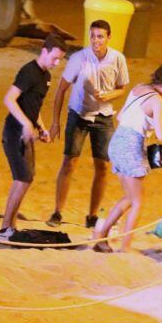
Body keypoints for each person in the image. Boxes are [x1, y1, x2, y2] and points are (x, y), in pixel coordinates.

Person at [91, 63, 162, 253]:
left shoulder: (139, 88)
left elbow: (122, 116)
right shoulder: (157, 100)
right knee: (138, 201)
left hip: (117, 141)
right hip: (131, 145)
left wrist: (147, 125)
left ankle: (102, 236)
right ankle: (125, 248)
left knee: (129, 197)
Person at [46, 20, 129, 228]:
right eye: (92, 36)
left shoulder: (117, 59)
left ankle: (92, 215)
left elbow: (122, 87)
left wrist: (108, 95)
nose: (95, 40)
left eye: (100, 36)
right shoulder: (78, 58)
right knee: (69, 161)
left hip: (104, 116)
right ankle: (57, 212)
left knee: (103, 166)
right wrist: (55, 122)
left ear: (109, 37)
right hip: (79, 115)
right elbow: (61, 89)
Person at [0, 35, 67, 239]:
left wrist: (41, 127)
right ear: (44, 51)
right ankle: (4, 228)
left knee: (26, 179)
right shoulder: (28, 72)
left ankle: (11, 225)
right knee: (22, 178)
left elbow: (33, 105)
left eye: (59, 60)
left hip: (27, 135)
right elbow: (9, 99)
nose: (56, 63)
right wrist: (25, 124)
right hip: (14, 132)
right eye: (54, 58)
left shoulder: (45, 77)